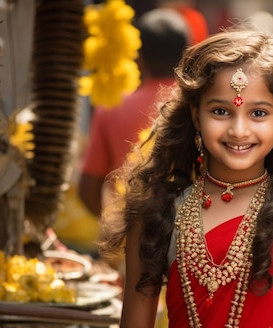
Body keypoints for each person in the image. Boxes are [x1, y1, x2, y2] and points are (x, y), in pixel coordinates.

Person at [98, 29, 273, 328]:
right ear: (196, 115)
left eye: (258, 113)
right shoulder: (157, 216)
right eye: (220, 111)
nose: (239, 129)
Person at [78, 8, 190, 217]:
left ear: (139, 58)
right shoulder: (199, 106)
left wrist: (118, 228)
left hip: (130, 233)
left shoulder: (112, 106)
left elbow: (88, 190)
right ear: (186, 56)